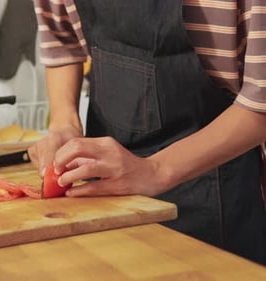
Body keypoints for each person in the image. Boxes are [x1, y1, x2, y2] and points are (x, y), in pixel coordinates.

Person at [29, 0, 266, 265]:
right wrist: (65, 124)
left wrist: (154, 170)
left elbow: (261, 102)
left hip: (215, 194)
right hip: (104, 198)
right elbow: (63, 41)